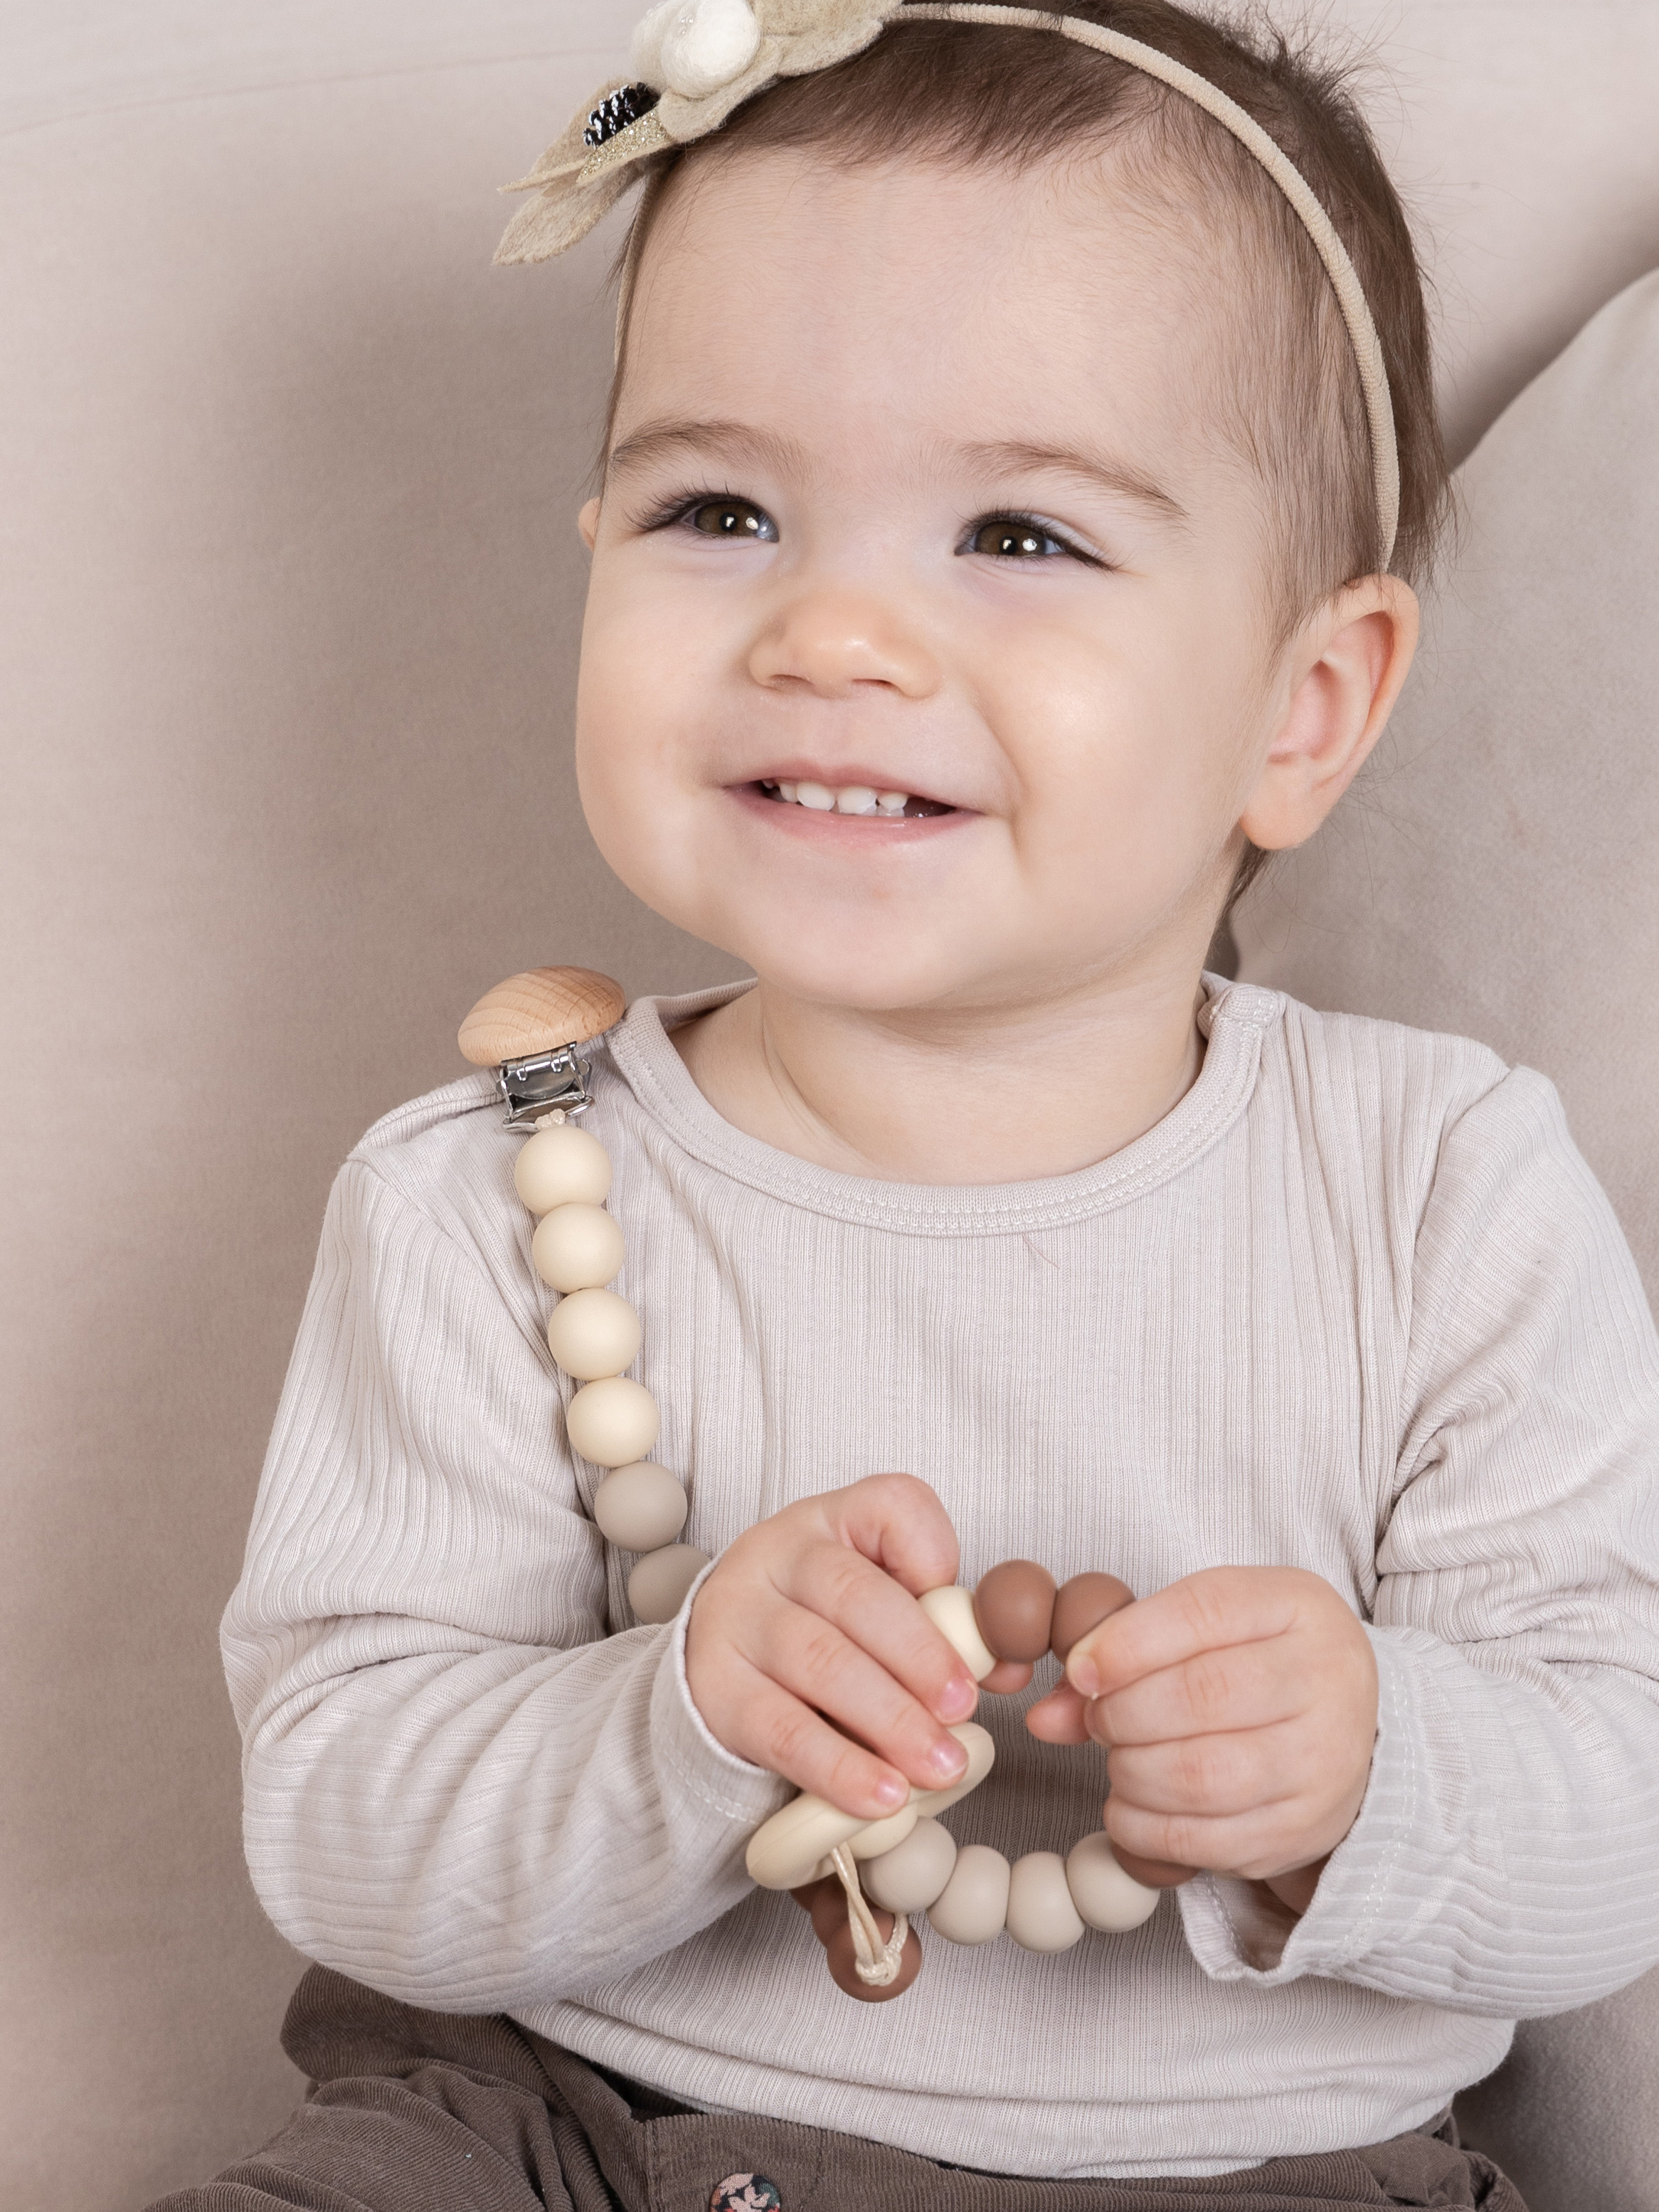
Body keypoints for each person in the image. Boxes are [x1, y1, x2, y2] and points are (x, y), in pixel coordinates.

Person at [154, 4, 1659, 2206]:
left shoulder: (1439, 1187)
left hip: (1268, 2174)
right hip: (562, 2128)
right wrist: (673, 1720)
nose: (833, 630)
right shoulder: (496, 1185)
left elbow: (1614, 1814)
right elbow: (352, 1838)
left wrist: (1375, 1766)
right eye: (723, 505)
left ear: (1303, 705)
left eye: (1021, 535)